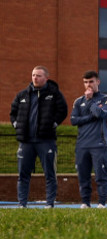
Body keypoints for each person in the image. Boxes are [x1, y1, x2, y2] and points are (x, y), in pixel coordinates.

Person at [9, 65, 68, 208]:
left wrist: (53, 124)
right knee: (23, 175)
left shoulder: (54, 94)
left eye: (39, 75)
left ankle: (49, 203)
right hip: (26, 142)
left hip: (46, 141)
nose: (35, 78)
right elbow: (13, 112)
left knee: (49, 174)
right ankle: (22, 204)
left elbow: (63, 110)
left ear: (46, 78)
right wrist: (16, 125)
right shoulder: (22, 95)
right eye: (33, 75)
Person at [70, 71, 107, 208]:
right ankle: (85, 203)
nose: (88, 85)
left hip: (99, 144)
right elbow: (74, 120)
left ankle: (101, 203)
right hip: (82, 145)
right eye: (86, 82)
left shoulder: (106, 99)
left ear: (98, 82)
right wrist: (90, 114)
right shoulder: (78, 101)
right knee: (83, 177)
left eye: (91, 82)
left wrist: (92, 100)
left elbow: (100, 114)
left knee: (101, 176)